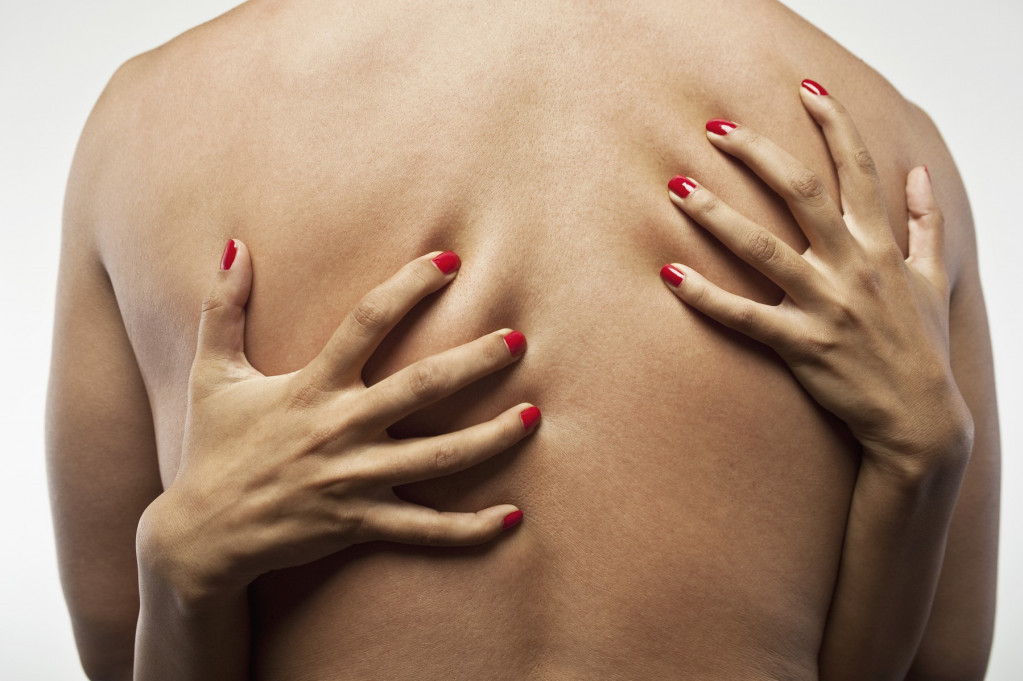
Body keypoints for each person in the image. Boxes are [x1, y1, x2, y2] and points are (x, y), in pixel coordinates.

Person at [46, 1, 999, 680]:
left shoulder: (150, 126)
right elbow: (938, 667)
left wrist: (179, 569)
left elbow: (120, 659)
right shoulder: (881, 138)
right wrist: (919, 463)